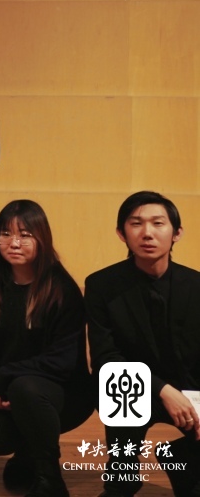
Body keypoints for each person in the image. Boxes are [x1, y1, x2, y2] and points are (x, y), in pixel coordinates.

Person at [0, 200, 92, 497]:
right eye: (5, 234)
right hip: (6, 390)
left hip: (62, 393)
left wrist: (4, 377)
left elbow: (62, 361)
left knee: (26, 388)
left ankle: (50, 478)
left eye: (25, 235)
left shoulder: (61, 290)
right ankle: (27, 453)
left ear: (41, 238)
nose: (14, 243)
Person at [85, 190, 200, 497]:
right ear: (121, 233)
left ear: (177, 233)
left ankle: (181, 457)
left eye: (158, 223)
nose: (147, 233)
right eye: (136, 223)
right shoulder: (101, 285)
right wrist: (162, 389)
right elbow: (106, 358)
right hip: (135, 386)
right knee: (120, 388)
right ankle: (122, 476)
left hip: (191, 387)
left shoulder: (196, 286)